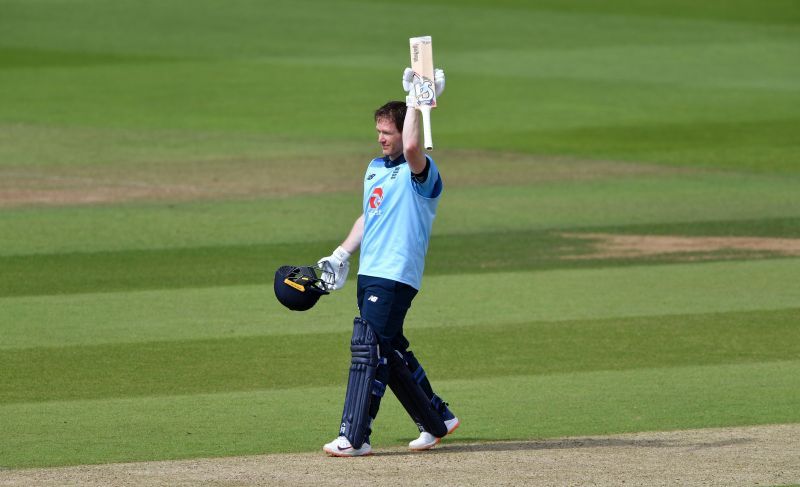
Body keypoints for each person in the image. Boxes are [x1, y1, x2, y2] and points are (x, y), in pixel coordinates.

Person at [318, 68, 458, 457]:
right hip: (369, 273)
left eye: (388, 132)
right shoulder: (375, 168)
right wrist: (342, 253)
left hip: (396, 275)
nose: (381, 138)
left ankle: (355, 435)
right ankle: (437, 419)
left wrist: (417, 100)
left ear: (405, 132)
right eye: (378, 131)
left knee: (368, 348)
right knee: (389, 350)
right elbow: (368, 216)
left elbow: (414, 149)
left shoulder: (423, 176)